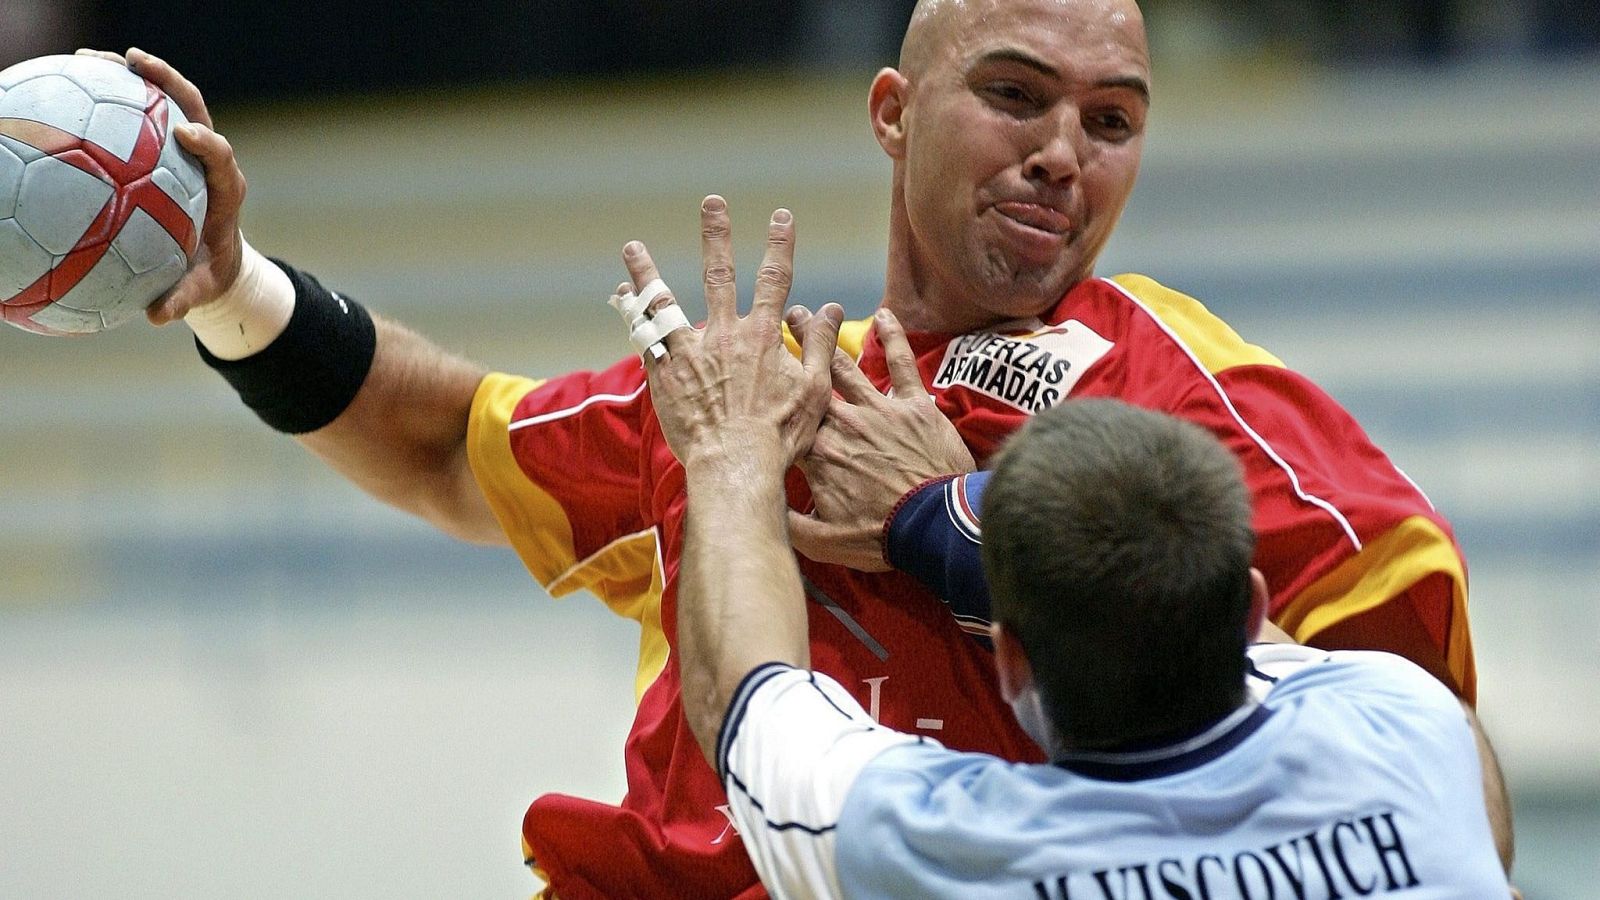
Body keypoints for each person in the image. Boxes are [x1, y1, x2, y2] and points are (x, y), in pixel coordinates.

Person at [84, 0, 1477, 893]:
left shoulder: (1192, 398)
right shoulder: (742, 401)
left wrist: (966, 530)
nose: (1066, 151)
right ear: (891, 112)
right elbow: (448, 444)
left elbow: (1431, 778)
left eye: (1110, 121)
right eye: (1015, 95)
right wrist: (233, 291)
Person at [616, 227, 1512, 897]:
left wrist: (728, 449)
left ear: (1010, 659)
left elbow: (739, 695)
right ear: (1248, 608)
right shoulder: (1407, 734)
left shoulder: (956, 849)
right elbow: (1469, 789)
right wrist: (943, 516)